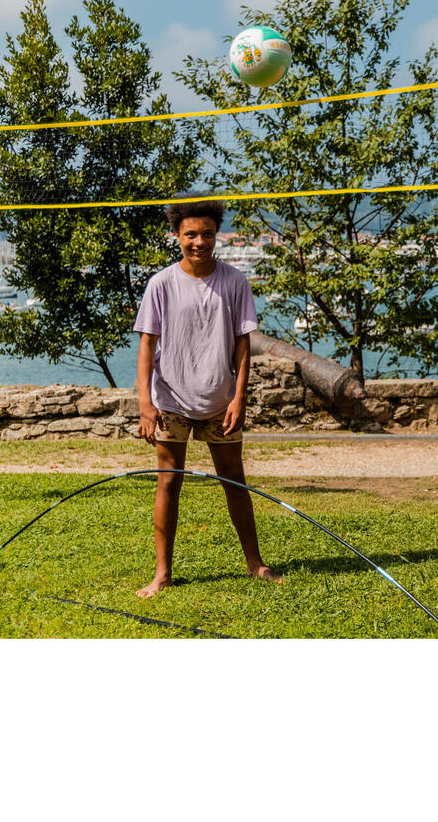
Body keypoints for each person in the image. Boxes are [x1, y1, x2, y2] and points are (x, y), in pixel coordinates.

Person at [133, 199, 281, 597]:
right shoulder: (161, 284)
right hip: (170, 403)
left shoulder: (234, 282)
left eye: (207, 234)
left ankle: (255, 563)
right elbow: (148, 344)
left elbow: (242, 345)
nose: (199, 242)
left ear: (217, 235)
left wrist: (238, 398)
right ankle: (162, 573)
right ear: (176, 236)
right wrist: (145, 404)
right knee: (168, 483)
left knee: (234, 480)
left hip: (220, 401)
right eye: (190, 234)